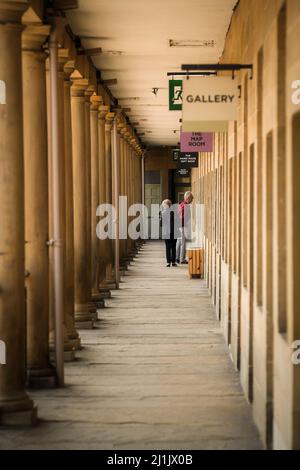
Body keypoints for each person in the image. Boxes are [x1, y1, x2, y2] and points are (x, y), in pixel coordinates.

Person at [176, 191, 194, 264]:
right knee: (183, 243)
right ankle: (182, 259)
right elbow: (182, 217)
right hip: (183, 226)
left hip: (179, 225)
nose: (192, 200)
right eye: (191, 199)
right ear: (188, 198)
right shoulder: (185, 206)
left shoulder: (181, 204)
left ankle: (177, 257)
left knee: (179, 242)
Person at [161, 199, 177, 267]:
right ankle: (173, 262)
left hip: (166, 232)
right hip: (174, 231)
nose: (163, 206)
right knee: (173, 247)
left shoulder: (163, 213)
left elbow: (161, 224)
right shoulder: (174, 212)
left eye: (164, 205)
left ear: (166, 205)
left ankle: (168, 262)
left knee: (168, 247)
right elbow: (177, 222)